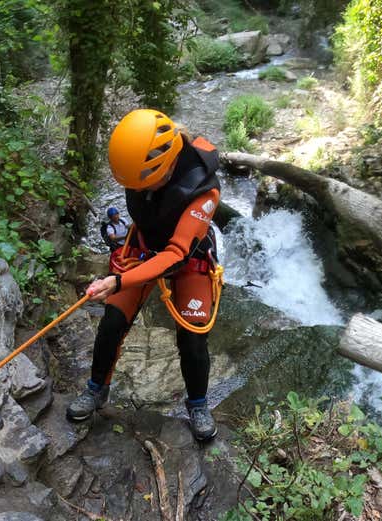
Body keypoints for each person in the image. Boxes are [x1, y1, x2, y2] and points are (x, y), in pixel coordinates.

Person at [67, 108, 222, 441]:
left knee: (193, 336)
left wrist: (118, 280)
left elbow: (176, 253)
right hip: (144, 246)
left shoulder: (204, 186)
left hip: (188, 256)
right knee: (112, 320)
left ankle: (198, 404)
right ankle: (96, 390)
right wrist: (121, 281)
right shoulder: (137, 160)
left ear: (165, 163)